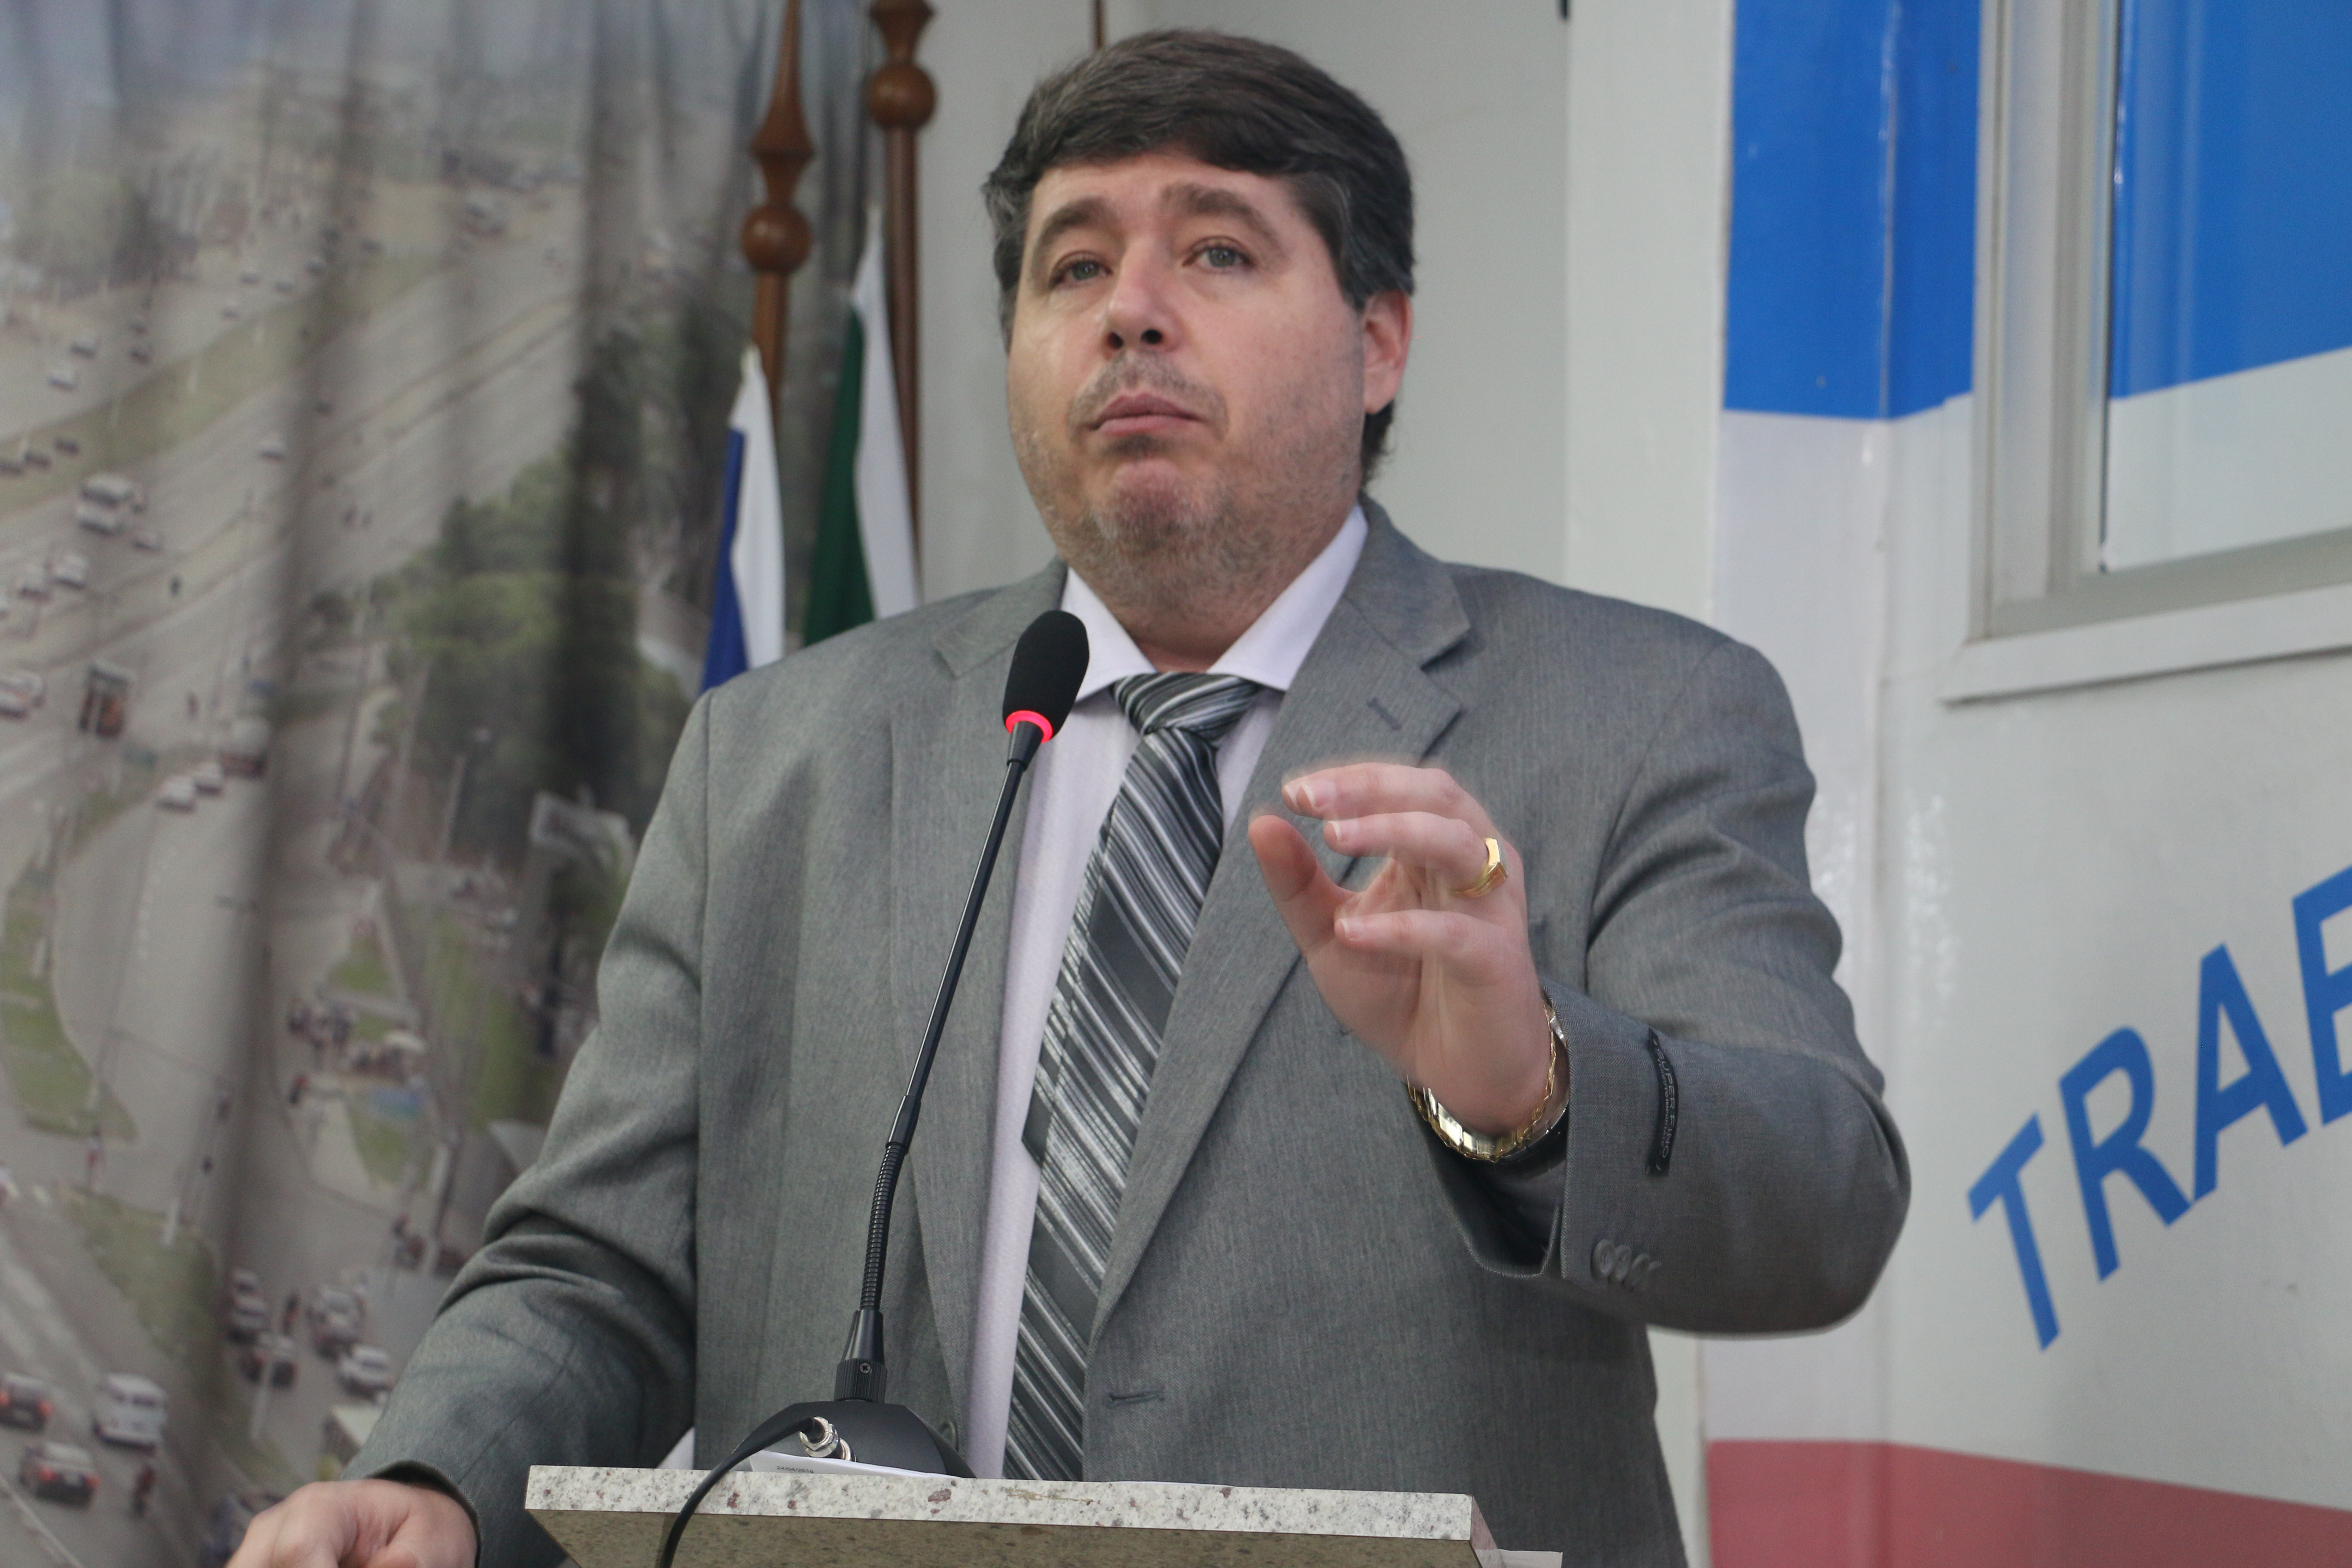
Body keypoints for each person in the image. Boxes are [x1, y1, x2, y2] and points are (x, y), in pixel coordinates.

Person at [230, 31, 1905, 1568]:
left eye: (1220, 251)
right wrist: (441, 1484)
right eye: (1075, 264)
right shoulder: (778, 757)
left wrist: (1529, 1091)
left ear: (1380, 342)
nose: (1132, 312)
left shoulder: (1636, 713)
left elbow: (1824, 1204)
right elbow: (601, 1265)